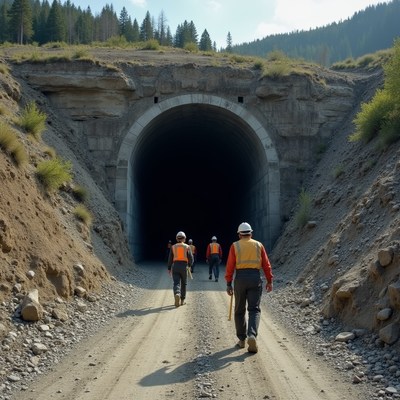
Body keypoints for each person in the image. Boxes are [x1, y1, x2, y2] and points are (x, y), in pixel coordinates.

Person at [225, 222, 273, 353]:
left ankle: (242, 340)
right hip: (255, 278)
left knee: (239, 310)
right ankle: (252, 335)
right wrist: (269, 281)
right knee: (254, 309)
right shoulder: (259, 245)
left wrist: (229, 283)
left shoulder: (235, 246)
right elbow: (266, 265)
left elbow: (230, 266)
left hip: (240, 279)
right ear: (251, 233)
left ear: (240, 234)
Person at [167, 231, 193, 307]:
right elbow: (191, 258)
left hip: (175, 266)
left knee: (176, 283)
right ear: (184, 239)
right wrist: (189, 265)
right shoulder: (187, 247)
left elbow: (170, 259)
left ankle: (177, 293)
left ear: (176, 238)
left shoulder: (173, 247)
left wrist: (169, 268)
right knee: (184, 283)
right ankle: (182, 300)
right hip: (184, 267)